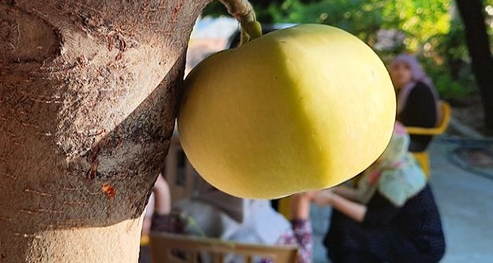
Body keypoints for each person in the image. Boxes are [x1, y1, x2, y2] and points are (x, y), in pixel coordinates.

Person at [312, 122, 446, 263]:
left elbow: (373, 217)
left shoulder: (398, 179)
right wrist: (332, 191)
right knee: (344, 212)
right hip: (397, 225)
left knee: (351, 231)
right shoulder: (391, 163)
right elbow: (367, 199)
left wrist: (332, 199)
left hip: (420, 246)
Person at [173, 176, 314, 263]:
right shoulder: (278, 231)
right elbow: (303, 259)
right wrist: (303, 201)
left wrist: (161, 190)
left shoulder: (182, 217)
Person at [389, 54, 440, 152]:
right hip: (404, 135)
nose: (400, 72)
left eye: (406, 68)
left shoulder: (420, 90)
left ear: (413, 71)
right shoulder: (401, 90)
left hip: (415, 140)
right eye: (396, 68)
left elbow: (423, 122)